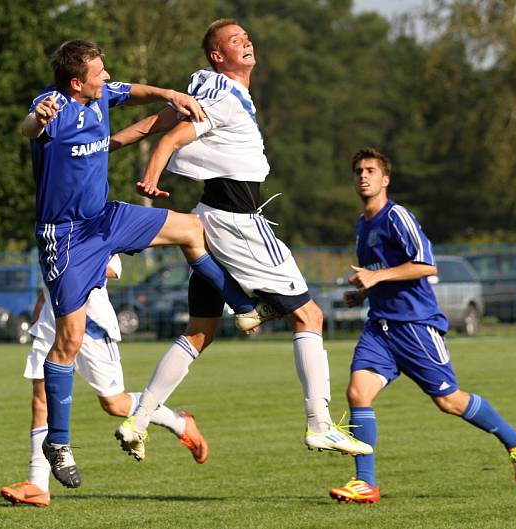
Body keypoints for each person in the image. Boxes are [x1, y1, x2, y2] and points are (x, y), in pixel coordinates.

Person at [109, 19, 372, 461]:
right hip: (239, 223)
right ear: (217, 56)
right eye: (235, 40)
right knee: (310, 317)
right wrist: (150, 178)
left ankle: (139, 418)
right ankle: (319, 425)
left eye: (246, 37)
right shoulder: (226, 98)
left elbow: (154, 123)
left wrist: (98, 148)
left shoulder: (210, 93)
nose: (246, 42)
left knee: (198, 332)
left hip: (209, 217)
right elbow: (171, 137)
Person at [23, 39, 270, 489]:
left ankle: (242, 304)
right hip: (66, 237)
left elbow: (133, 89)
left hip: (105, 219)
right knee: (69, 341)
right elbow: (30, 126)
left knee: (191, 230)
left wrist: (170, 95)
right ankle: (57, 443)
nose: (106, 77)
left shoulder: (101, 93)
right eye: (99, 73)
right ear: (78, 82)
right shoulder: (53, 103)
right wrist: (35, 121)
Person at [328, 148, 516, 504]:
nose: (363, 175)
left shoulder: (397, 217)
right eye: (358, 170)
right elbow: (378, 273)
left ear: (385, 179)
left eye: (371, 170)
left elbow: (426, 265)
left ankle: (515, 439)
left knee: (449, 401)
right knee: (357, 393)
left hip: (416, 327)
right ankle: (365, 483)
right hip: (381, 328)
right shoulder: (363, 224)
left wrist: (376, 277)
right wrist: (361, 294)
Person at [0, 256, 207, 507]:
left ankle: (180, 424)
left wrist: (69, 265)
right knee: (40, 398)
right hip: (51, 322)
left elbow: (112, 268)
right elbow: (50, 279)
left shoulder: (95, 225)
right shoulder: (49, 229)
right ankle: (37, 485)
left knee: (114, 404)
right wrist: (40, 307)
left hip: (90, 324)